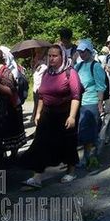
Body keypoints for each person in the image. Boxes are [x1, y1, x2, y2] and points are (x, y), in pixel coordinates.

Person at [21, 45, 82, 187]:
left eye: (55, 56)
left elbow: (76, 96)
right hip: (48, 114)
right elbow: (42, 95)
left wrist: (72, 117)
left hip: (65, 113)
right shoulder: (47, 73)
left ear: (62, 57)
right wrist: (38, 113)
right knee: (41, 143)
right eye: (49, 56)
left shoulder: (70, 73)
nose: (51, 58)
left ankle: (71, 171)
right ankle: (37, 177)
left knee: (68, 142)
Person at [0, 44, 26, 167]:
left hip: (7, 109)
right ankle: (0, 159)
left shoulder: (4, 70)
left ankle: (12, 159)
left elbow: (11, 90)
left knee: (10, 133)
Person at [74, 40, 106, 169]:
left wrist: (100, 103)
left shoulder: (96, 66)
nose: (81, 54)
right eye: (80, 52)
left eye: (84, 51)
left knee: (87, 131)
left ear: (90, 51)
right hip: (79, 102)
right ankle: (92, 150)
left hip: (91, 102)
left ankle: (87, 157)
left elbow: (100, 86)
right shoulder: (79, 66)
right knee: (81, 131)